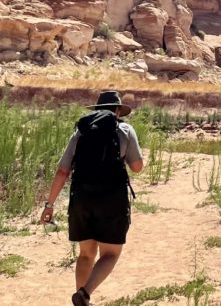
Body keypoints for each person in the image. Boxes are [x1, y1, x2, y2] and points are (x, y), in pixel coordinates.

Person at [41, 90, 144, 306]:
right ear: (118, 110)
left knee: (86, 254)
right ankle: (84, 293)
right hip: (112, 199)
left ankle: (82, 298)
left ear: (96, 110)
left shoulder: (82, 132)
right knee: (110, 254)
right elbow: (136, 167)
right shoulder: (124, 130)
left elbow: (62, 171)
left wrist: (49, 204)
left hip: (81, 198)